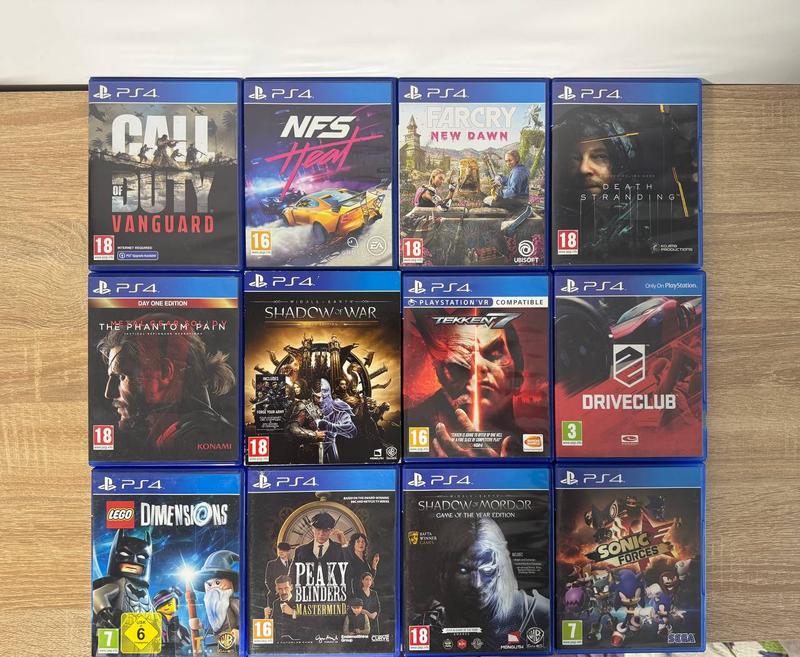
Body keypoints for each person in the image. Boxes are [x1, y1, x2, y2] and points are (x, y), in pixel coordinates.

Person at [97, 313, 235, 457]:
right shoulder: (179, 434)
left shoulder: (195, 438)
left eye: (121, 376)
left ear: (164, 372)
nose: (108, 393)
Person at [406, 310, 528, 457]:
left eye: (494, 354)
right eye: (458, 361)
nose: (476, 366)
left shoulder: (537, 449)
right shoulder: (404, 428)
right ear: (439, 373)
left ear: (517, 379)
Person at [414, 518, 549, 650]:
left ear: (500, 568)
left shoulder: (540, 616)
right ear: (446, 572)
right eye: (464, 571)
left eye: (487, 570)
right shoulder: (429, 627)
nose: (477, 584)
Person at [190, 550, 240, 653]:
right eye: (209, 584)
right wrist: (199, 625)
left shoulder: (234, 603)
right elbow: (209, 625)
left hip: (229, 646)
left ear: (230, 583)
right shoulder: (210, 607)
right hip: (210, 648)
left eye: (217, 582)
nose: (213, 587)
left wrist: (241, 634)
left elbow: (245, 622)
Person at [153, 588, 191, 656]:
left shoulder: (180, 627)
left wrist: (179, 645)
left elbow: (187, 641)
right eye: (162, 605)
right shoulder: (155, 625)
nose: (167, 606)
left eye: (170, 603)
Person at [264, 542, 292, 606]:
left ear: (288, 551)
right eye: (280, 549)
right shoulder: (271, 564)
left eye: (284, 550)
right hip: (275, 596)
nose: (281, 552)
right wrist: (278, 591)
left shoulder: (293, 564)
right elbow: (268, 580)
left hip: (291, 597)